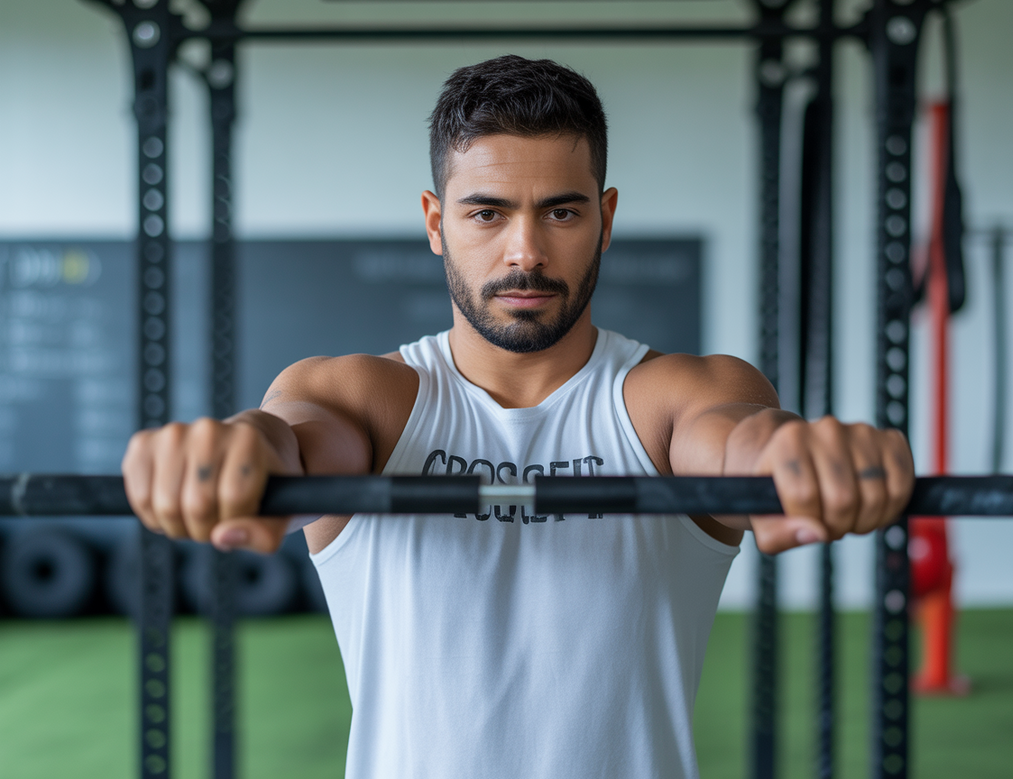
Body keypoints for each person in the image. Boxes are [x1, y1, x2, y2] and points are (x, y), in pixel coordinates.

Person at [122, 54, 914, 778]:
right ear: (436, 222)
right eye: (487, 213)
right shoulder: (366, 397)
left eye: (561, 214)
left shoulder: (669, 396)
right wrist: (239, 444)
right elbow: (294, 436)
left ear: (605, 218)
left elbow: (737, 437)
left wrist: (789, 451)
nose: (525, 251)